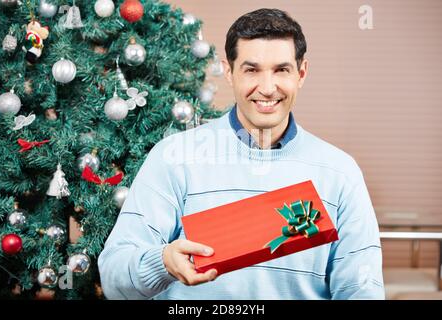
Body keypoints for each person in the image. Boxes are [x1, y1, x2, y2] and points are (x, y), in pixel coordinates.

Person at [98, 8, 385, 300]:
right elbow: (114, 278)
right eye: (252, 70)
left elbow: (362, 291)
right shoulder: (173, 158)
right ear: (229, 72)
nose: (268, 88)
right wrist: (162, 263)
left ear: (301, 73)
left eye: (281, 70)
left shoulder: (340, 172)